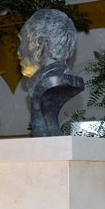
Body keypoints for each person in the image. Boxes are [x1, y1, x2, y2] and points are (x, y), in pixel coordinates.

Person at [17, 9, 84, 137]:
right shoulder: (69, 78)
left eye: (22, 41)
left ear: (39, 45)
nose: (18, 51)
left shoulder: (48, 83)